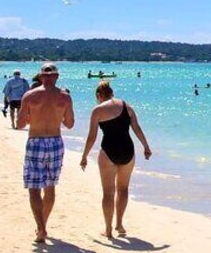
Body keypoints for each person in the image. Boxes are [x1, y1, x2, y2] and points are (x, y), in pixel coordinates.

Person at [79, 80, 151, 238]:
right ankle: (119, 223)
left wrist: (84, 156)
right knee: (123, 189)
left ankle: (108, 229)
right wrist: (146, 146)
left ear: (99, 95)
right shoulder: (127, 106)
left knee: (108, 193)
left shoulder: (97, 110)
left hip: (108, 152)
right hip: (128, 151)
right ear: (111, 92)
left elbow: (92, 137)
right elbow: (137, 128)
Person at [16, 63, 75, 243]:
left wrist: (32, 116)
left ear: (41, 77)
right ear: (56, 77)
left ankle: (41, 228)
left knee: (34, 188)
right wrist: (57, 114)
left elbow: (19, 124)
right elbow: (70, 124)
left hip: (36, 141)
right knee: (50, 186)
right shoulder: (65, 97)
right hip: (55, 142)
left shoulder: (30, 95)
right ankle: (43, 226)